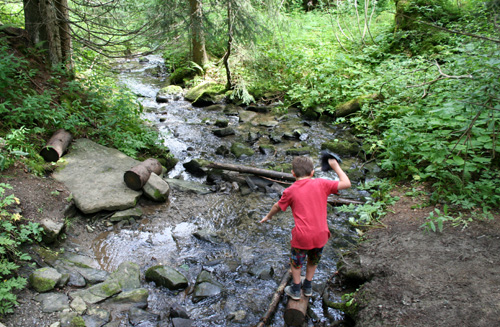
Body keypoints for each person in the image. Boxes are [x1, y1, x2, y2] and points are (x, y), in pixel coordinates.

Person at [260, 155, 351, 300]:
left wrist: (268, 216)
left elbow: (277, 206)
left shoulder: (290, 191)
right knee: (313, 260)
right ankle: (308, 286)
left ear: (293, 173)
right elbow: (346, 183)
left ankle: (296, 289)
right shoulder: (322, 183)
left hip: (302, 237)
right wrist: (335, 166)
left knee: (296, 263)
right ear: (312, 173)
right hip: (321, 234)